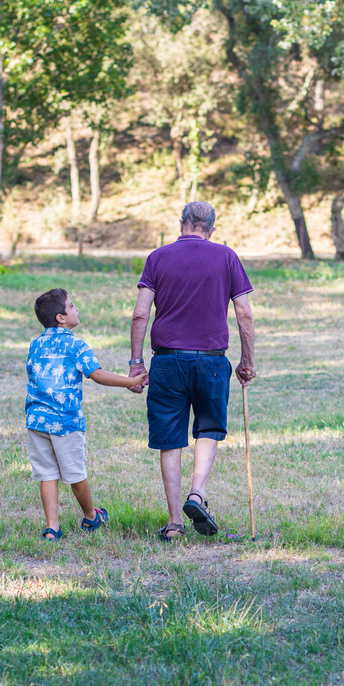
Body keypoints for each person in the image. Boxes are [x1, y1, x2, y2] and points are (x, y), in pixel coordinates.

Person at [127, 202, 256, 540]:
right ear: (211, 229)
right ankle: (197, 494)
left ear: (181, 224)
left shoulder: (157, 257)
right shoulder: (226, 256)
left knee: (170, 440)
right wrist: (247, 361)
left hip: (167, 361)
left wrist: (136, 362)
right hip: (212, 361)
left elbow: (140, 314)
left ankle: (173, 523)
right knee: (209, 428)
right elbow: (244, 313)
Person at [26, 288, 146, 541]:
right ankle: (91, 516)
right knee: (76, 474)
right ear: (61, 317)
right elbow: (97, 374)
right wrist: (130, 381)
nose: (76, 309)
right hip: (65, 421)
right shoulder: (75, 344)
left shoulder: (35, 344)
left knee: (47, 474)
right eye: (72, 306)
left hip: (36, 420)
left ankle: (52, 527)